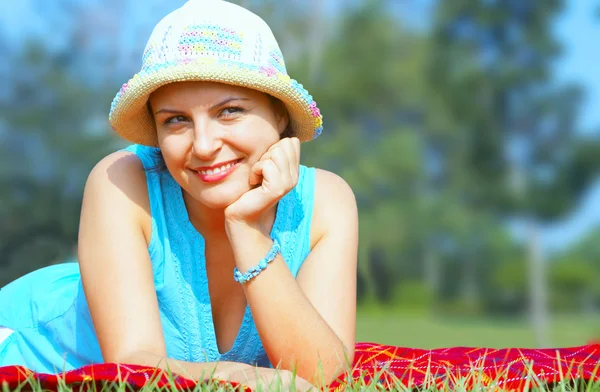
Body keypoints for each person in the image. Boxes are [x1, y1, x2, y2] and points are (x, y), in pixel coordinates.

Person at [0, 0, 359, 390]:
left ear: (280, 116)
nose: (204, 145)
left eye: (230, 111)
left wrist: (248, 230)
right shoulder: (121, 182)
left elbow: (326, 376)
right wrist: (239, 377)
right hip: (28, 345)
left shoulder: (325, 202)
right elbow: (134, 368)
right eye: (176, 120)